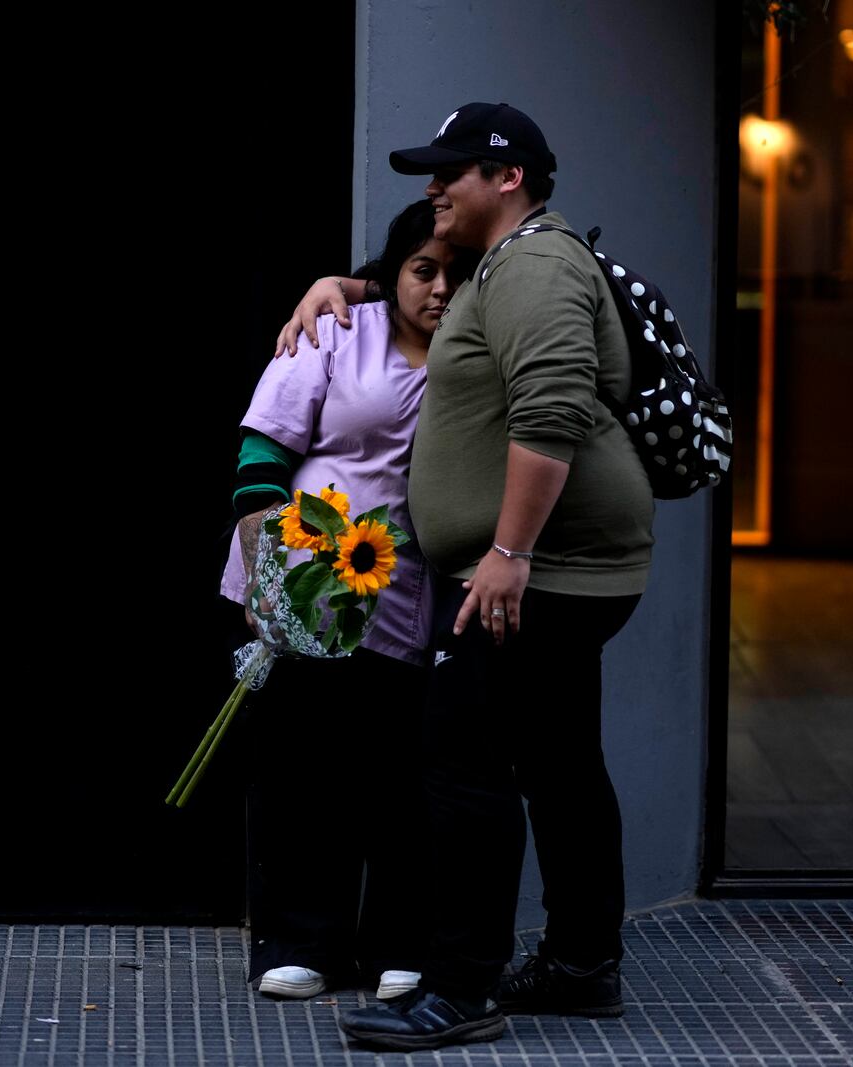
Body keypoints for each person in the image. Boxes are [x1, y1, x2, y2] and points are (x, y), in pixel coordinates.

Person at [297, 102, 655, 1051]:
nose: (432, 187)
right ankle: (582, 966)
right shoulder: (514, 261)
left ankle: (460, 985)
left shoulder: (534, 264)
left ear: (507, 179)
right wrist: (336, 285)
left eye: (450, 171)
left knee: (462, 758)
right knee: (559, 763)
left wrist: (507, 553)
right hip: (560, 567)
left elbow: (551, 409)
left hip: (539, 571)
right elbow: (437, 306)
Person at [220, 199, 475, 1003]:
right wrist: (268, 583)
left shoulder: (477, 353)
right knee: (300, 767)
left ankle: (399, 942)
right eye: (422, 270)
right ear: (390, 271)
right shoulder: (332, 331)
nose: (438, 289)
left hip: (407, 594)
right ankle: (298, 942)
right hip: (305, 581)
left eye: (456, 274)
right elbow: (263, 451)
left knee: (401, 774)